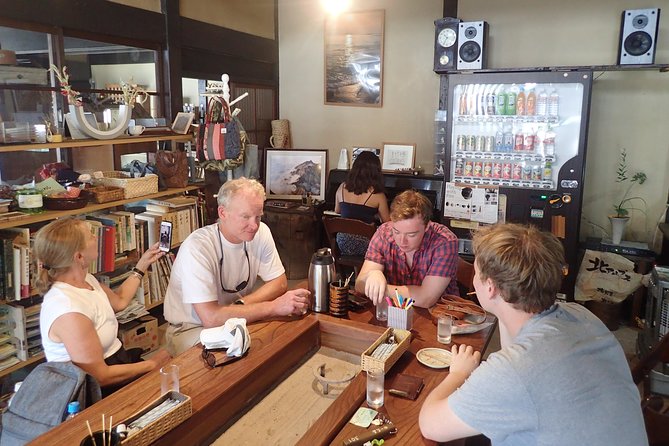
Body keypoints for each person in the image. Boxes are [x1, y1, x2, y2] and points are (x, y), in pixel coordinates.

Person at [418, 223, 647, 445]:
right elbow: (514, 347)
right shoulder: (582, 316)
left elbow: (430, 425)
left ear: (491, 287)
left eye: (476, 273)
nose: (474, 279)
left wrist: (459, 373)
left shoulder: (513, 371)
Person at [164, 177, 310, 356]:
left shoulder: (261, 232)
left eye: (258, 216)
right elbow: (211, 318)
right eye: (246, 217)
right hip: (191, 329)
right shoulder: (198, 247)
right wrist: (273, 307)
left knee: (277, 339)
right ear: (223, 213)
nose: (254, 225)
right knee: (245, 352)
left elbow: (279, 283)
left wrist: (241, 304)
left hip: (234, 319)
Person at [34, 218, 172, 397]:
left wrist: (142, 264)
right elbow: (99, 376)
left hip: (117, 364)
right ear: (79, 257)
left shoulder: (86, 280)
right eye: (90, 236)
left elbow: (120, 301)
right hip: (93, 391)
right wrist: (153, 364)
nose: (95, 237)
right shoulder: (68, 310)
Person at [355, 190, 459, 308]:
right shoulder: (384, 232)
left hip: (439, 316)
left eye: (411, 235)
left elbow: (426, 299)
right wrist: (373, 274)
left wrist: (380, 288)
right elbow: (359, 285)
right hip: (398, 311)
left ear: (427, 227)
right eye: (397, 232)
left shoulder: (445, 242)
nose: (402, 241)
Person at [334, 151, 390, 256]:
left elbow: (337, 210)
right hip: (366, 245)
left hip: (342, 242)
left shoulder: (342, 187)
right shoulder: (378, 194)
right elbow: (387, 222)